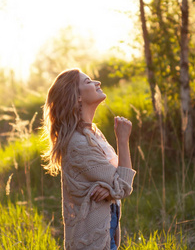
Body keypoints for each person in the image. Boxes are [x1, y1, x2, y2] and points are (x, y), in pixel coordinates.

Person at [42, 68, 136, 250]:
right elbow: (123, 186)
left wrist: (109, 190)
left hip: (104, 232)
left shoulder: (92, 133)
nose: (97, 83)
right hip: (92, 242)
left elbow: (115, 182)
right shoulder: (79, 144)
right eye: (88, 82)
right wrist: (123, 140)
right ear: (77, 97)